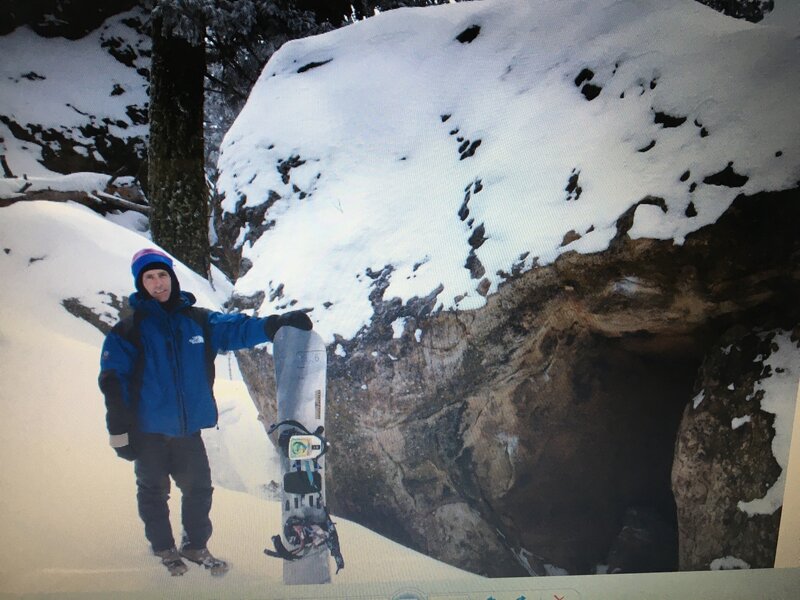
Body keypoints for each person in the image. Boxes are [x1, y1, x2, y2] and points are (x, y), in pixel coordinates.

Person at [98, 248, 311, 576]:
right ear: (141, 284)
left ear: (172, 277)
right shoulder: (128, 331)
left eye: (163, 275)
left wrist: (275, 325)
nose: (158, 283)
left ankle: (195, 546)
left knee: (199, 489)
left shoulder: (197, 321)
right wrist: (119, 433)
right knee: (154, 492)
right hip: (148, 431)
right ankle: (164, 550)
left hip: (187, 430)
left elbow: (236, 328)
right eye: (150, 277)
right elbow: (113, 383)